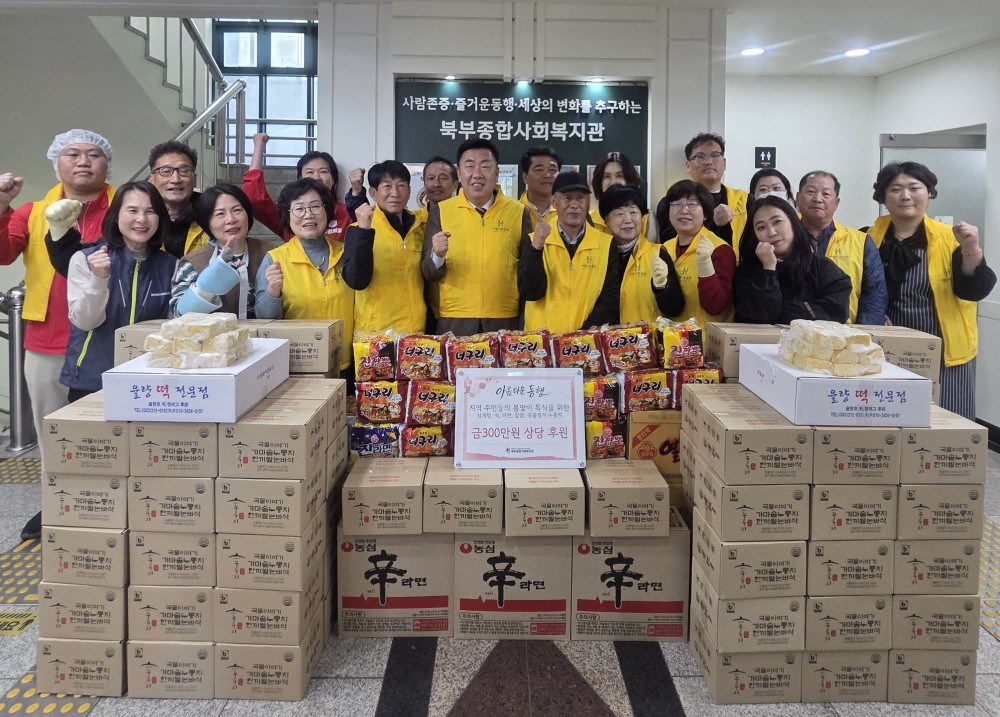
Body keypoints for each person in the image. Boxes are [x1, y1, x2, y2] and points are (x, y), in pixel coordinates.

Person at [0, 128, 114, 540]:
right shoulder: (32, 212)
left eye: (93, 154)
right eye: (72, 154)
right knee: (53, 430)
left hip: (109, 338)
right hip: (48, 338)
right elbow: (3, 253)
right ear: (56, 163)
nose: (83, 161)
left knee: (111, 429)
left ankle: (110, 503)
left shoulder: (127, 206)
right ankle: (56, 501)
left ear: (107, 165)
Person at [868, 161, 996, 419]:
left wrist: (971, 248)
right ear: (883, 197)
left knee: (947, 422)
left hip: (943, 352)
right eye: (895, 189)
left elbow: (974, 290)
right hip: (884, 348)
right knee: (890, 419)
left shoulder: (951, 238)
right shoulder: (867, 238)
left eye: (914, 188)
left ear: (929, 193)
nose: (905, 196)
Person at [54, 181, 175, 401]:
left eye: (150, 211)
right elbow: (85, 321)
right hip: (92, 378)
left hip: (149, 380)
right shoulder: (85, 259)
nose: (141, 219)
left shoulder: (170, 265)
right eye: (132, 210)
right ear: (116, 216)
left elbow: (171, 326)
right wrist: (98, 279)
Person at [422, 138, 531, 336]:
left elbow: (527, 272)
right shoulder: (441, 211)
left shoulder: (518, 212)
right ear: (459, 173)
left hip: (505, 320)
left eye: (486, 166)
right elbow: (428, 273)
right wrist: (437, 255)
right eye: (470, 166)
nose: (477, 174)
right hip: (454, 321)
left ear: (497, 172)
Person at [254, 178, 354, 374]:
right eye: (299, 209)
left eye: (315, 206)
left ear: (327, 210)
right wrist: (273, 292)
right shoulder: (275, 259)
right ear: (287, 215)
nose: (308, 215)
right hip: (299, 366)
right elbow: (264, 319)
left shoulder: (346, 253)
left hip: (346, 363)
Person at [519, 171, 619, 332]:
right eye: (567, 198)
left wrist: (582, 335)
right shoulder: (533, 240)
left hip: (587, 340)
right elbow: (531, 293)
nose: (574, 205)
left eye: (580, 198)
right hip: (542, 341)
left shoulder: (606, 244)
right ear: (554, 201)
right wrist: (536, 249)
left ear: (588, 202)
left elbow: (610, 299)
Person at [733, 195, 852, 324]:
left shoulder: (823, 267)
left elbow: (836, 311)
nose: (771, 232)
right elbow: (762, 315)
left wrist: (780, 310)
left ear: (793, 223)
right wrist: (768, 270)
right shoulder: (745, 272)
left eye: (777, 222)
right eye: (761, 227)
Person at [343, 160, 427, 336]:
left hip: (416, 331)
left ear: (409, 191)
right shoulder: (358, 229)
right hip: (375, 335)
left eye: (401, 185)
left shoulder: (419, 227)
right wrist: (364, 232)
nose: (395, 193)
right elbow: (356, 280)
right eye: (387, 186)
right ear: (373, 193)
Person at [797, 170, 887, 325]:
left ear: (836, 203)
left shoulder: (861, 242)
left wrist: (864, 334)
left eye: (826, 194)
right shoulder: (782, 238)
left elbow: (874, 296)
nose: (817, 199)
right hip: (794, 332)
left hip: (847, 334)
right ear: (798, 198)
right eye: (811, 192)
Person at [170, 184, 270, 318]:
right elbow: (179, 314)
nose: (231, 220)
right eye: (220, 214)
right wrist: (212, 279)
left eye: (237, 210)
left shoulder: (269, 252)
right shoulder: (193, 263)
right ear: (207, 222)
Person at [599, 184, 683, 327]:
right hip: (603, 339)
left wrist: (662, 287)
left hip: (645, 339)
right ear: (606, 220)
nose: (628, 219)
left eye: (633, 212)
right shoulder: (599, 254)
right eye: (619, 214)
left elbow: (676, 309)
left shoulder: (657, 253)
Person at [244, 132, 352, 241]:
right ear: (300, 179)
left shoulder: (348, 213)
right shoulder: (289, 214)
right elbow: (254, 199)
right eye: (310, 172)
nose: (317, 177)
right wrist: (259, 148)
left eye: (323, 171)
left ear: (333, 179)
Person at [660, 180, 736, 329]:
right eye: (676, 204)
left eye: (692, 204)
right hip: (671, 338)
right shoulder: (664, 249)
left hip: (705, 339)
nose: (684, 210)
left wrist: (705, 263)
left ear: (706, 213)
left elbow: (716, 307)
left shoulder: (720, 249)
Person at [655, 132, 748, 251]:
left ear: (724, 163)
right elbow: (670, 242)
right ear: (688, 166)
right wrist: (713, 223)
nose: (709, 162)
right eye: (700, 157)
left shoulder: (744, 200)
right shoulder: (672, 203)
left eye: (715, 155)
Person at [147, 140, 210, 257]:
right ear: (151, 180)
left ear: (195, 179)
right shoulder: (141, 218)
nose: (176, 179)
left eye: (184, 171)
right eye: (166, 171)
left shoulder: (210, 215)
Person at [589, 151, 650, 237]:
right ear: (600, 183)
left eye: (619, 176)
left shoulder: (645, 219)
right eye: (607, 176)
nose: (613, 182)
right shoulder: (589, 220)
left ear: (629, 180)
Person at [518, 146, 561, 226]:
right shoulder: (513, 211)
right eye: (539, 169)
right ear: (525, 177)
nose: (547, 175)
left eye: (552, 170)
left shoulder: (567, 213)